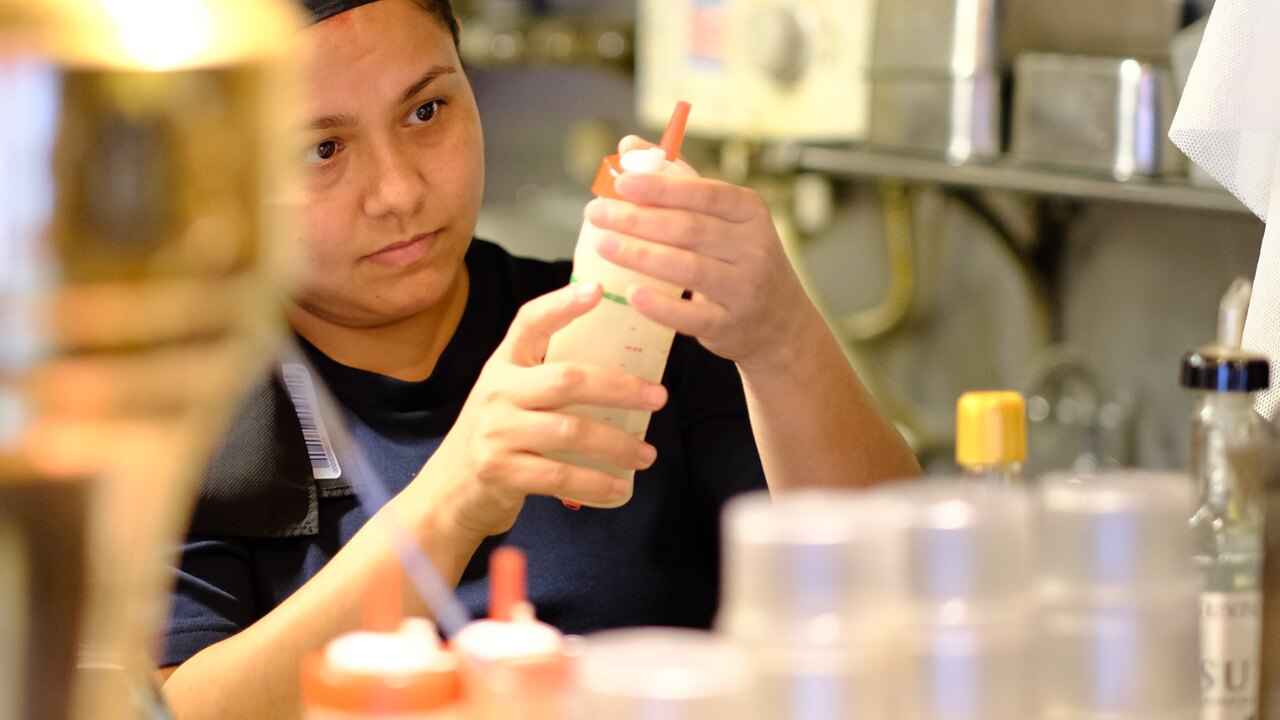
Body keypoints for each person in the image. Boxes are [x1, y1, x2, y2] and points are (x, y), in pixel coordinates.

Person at [158, 0, 921, 716]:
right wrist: (451, 500)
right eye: (320, 149)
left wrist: (781, 339)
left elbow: (904, 605)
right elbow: (164, 706)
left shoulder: (639, 327)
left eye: (426, 111)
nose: (398, 191)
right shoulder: (179, 403)